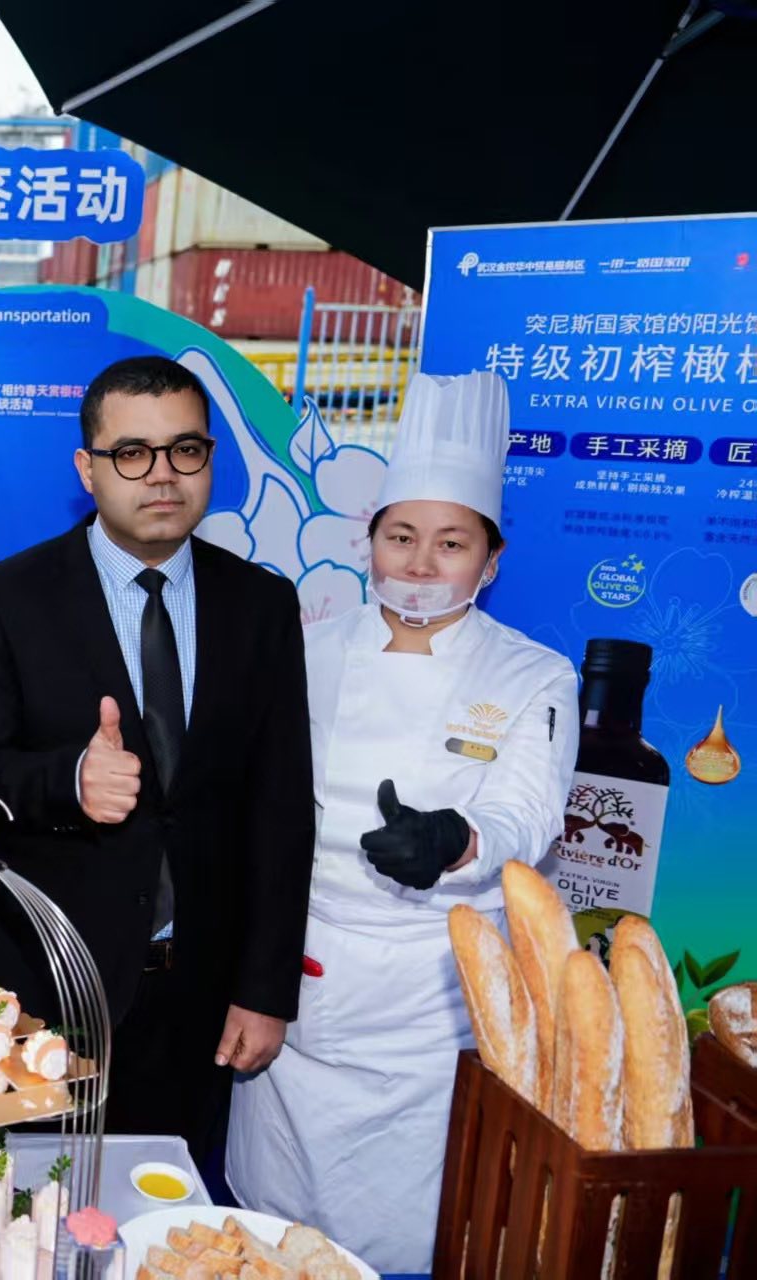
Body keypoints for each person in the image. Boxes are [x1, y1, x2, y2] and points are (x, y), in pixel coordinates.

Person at [227, 372, 578, 1273]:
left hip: (431, 999)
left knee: (406, 1229)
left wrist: (455, 840)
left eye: (451, 543)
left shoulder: (533, 675)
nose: (421, 564)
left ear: (490, 562)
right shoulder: (305, 650)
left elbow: (526, 813)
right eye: (401, 537)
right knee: (268, 1227)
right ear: (370, 544)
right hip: (301, 978)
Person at [0, 354, 314, 1161]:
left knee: (166, 1205)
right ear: (88, 469)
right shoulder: (10, 595)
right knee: (20, 1204)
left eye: (185, 449)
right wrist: (69, 779)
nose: (162, 474)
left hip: (198, 994)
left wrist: (265, 990)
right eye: (131, 454)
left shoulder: (260, 604)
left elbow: (282, 807)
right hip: (41, 986)